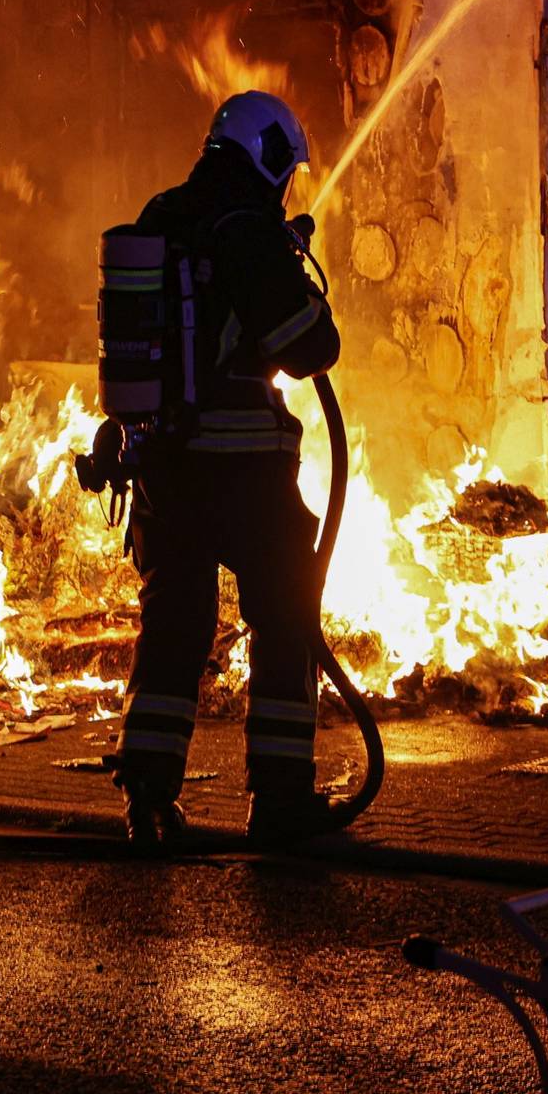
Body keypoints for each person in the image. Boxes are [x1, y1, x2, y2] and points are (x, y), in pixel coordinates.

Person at [108, 90, 342, 846]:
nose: (286, 188)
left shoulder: (161, 216)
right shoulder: (247, 230)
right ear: (269, 156)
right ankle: (280, 803)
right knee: (284, 618)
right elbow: (307, 348)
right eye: (287, 171)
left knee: (174, 625)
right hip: (244, 476)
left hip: (165, 473)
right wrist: (299, 278)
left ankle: (147, 795)